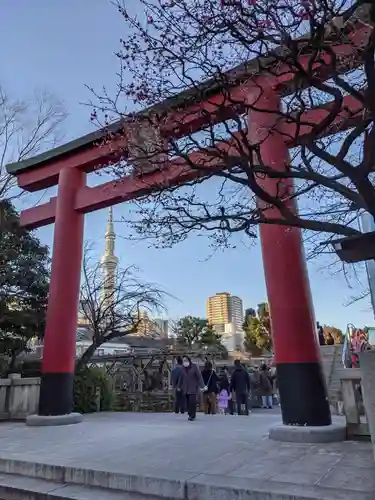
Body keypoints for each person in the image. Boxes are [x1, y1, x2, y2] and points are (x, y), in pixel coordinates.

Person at [179, 355, 205, 421]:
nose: (184, 362)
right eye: (183, 361)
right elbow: (181, 378)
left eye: (186, 360)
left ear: (189, 360)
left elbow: (199, 376)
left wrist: (202, 385)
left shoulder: (194, 366)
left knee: (192, 402)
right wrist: (179, 386)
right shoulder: (182, 368)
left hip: (193, 387)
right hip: (185, 388)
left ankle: (192, 415)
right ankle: (190, 413)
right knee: (188, 403)